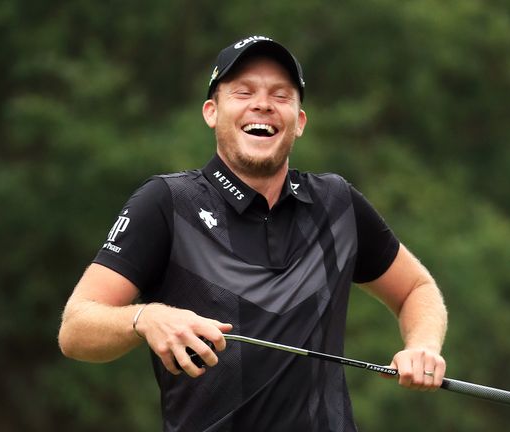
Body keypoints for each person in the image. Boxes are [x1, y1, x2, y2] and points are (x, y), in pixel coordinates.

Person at [58, 35, 447, 432]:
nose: (262, 103)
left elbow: (416, 289)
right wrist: (145, 317)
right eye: (243, 92)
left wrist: (423, 347)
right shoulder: (167, 202)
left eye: (281, 95)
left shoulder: (337, 203)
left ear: (299, 122)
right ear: (212, 112)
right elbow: (76, 328)